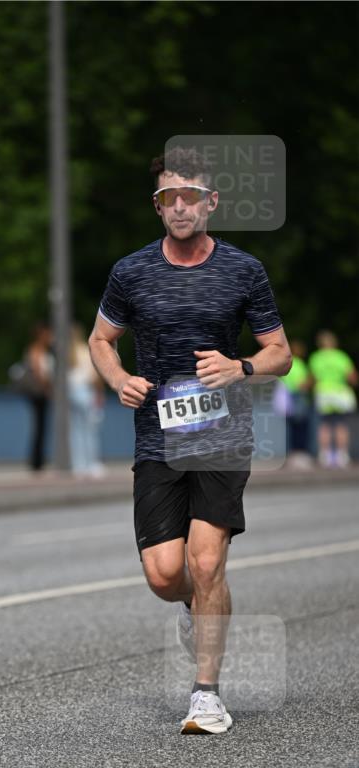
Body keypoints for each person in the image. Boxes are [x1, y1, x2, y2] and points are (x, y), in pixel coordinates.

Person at [89, 146, 292, 735]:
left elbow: (280, 352)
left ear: (211, 202)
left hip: (223, 434)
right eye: (167, 197)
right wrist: (120, 378)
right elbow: (101, 340)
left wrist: (241, 368)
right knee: (164, 573)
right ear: (157, 206)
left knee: (207, 563)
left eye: (190, 196)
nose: (179, 207)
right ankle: (191, 606)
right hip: (158, 437)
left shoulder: (243, 270)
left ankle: (206, 694)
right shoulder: (131, 272)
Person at [308, 329, 357, 468]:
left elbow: (312, 379)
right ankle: (342, 455)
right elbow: (352, 377)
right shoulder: (341, 356)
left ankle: (325, 455)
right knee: (341, 424)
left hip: (323, 392)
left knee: (325, 424)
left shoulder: (316, 357)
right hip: (340, 391)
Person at [67, 322, 105, 477]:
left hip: (70, 393)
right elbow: (94, 375)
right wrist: (99, 393)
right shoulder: (84, 350)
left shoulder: (65, 352)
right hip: (84, 392)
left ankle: (79, 465)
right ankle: (92, 464)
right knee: (89, 430)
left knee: (75, 431)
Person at [273, 339, 313, 467]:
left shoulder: (284, 363)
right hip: (297, 397)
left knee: (288, 427)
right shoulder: (299, 364)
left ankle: (290, 454)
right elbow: (302, 383)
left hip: (286, 398)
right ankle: (300, 453)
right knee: (300, 426)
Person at [23, 321, 54, 473]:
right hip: (38, 393)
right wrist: (47, 388)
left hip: (42, 393)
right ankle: (36, 460)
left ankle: (39, 458)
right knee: (39, 426)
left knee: (41, 426)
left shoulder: (44, 351)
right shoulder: (35, 351)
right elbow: (38, 372)